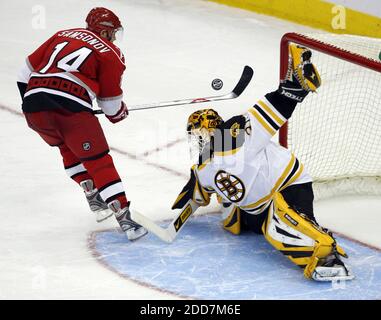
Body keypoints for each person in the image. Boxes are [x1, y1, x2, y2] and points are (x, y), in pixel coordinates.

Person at [172, 45, 354, 281]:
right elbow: (197, 191)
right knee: (232, 221)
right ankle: (297, 225)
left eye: (203, 135)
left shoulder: (232, 136)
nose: (202, 141)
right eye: (199, 137)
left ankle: (326, 256)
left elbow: (267, 114)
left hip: (287, 185)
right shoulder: (203, 168)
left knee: (278, 231)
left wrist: (292, 92)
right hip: (258, 204)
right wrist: (187, 200)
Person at [16, 7, 147, 241]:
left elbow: (23, 72)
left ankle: (94, 197)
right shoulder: (111, 54)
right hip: (70, 109)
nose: (115, 38)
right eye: (113, 33)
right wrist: (119, 113)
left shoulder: (63, 34)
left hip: (33, 106)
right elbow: (111, 108)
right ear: (106, 32)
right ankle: (127, 222)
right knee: (99, 162)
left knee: (66, 146)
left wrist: (35, 102)